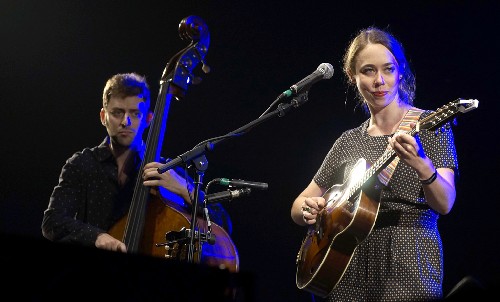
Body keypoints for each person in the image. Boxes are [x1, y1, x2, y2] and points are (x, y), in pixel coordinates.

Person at [291, 27, 458, 301]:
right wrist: (309, 209)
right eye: (368, 70)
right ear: (352, 76)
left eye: (388, 69)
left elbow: (445, 203)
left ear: (400, 71)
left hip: (409, 257)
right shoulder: (348, 141)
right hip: (346, 260)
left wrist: (422, 165)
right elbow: (299, 206)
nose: (380, 80)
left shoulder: (430, 126)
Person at [42, 72, 232, 254]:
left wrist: (184, 188)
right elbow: (53, 222)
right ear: (103, 117)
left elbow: (223, 223)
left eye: (135, 114)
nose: (126, 121)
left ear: (149, 118)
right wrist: (98, 237)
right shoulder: (82, 164)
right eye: (117, 112)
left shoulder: (165, 170)